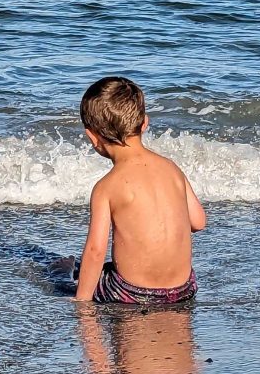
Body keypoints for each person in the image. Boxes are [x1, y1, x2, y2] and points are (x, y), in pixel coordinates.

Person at [75, 77, 206, 303]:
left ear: (92, 137)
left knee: (69, 272)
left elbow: (96, 250)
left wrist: (83, 301)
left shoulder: (106, 187)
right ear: (145, 123)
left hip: (132, 293)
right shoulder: (172, 168)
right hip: (184, 289)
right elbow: (199, 222)